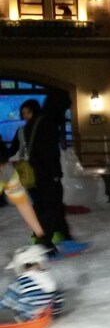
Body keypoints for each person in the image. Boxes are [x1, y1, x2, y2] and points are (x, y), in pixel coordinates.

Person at [9, 99, 75, 245]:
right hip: (43, 174)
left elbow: (11, 150)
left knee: (44, 206)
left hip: (30, 174)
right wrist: (55, 173)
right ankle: (45, 242)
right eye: (24, 113)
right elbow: (50, 153)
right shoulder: (46, 126)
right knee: (49, 206)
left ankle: (60, 236)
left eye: (28, 112)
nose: (26, 116)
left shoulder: (24, 130)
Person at [0, 144, 56, 255]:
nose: (1, 170)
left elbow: (22, 203)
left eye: (2, 165)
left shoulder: (7, 171)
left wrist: (41, 235)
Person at [1, 244, 63, 325]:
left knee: (15, 297)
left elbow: (7, 301)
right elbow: (58, 297)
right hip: (45, 314)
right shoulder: (48, 278)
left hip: (28, 318)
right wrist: (56, 313)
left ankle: (24, 320)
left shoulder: (21, 281)